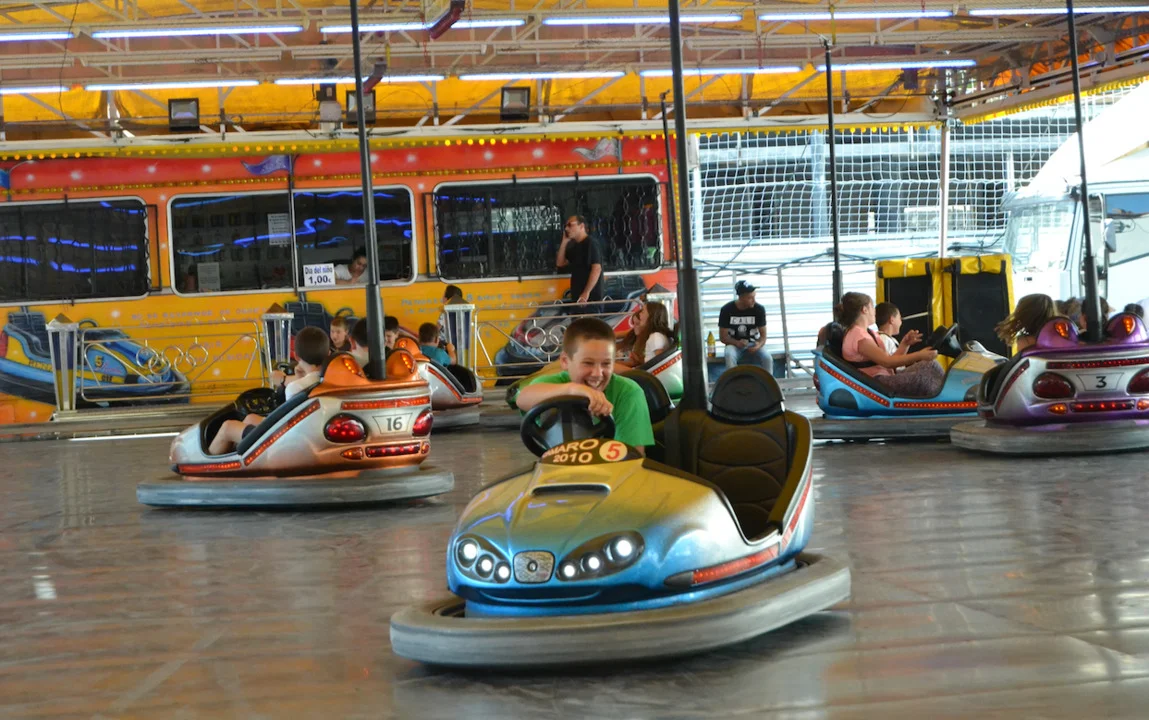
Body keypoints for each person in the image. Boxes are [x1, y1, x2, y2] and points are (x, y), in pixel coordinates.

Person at [515, 317, 654, 452]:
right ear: (565, 361)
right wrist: (574, 390)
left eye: (606, 363)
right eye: (588, 363)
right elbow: (522, 398)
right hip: (556, 465)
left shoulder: (628, 392)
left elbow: (632, 456)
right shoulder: (552, 383)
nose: (598, 373)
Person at [208, 327, 330, 455]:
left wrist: (288, 381)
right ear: (328, 353)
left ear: (297, 356)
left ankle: (206, 466)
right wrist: (299, 377)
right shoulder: (328, 379)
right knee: (250, 418)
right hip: (309, 433)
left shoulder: (295, 388)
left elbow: (287, 423)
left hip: (287, 440)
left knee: (227, 427)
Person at [839, 292, 942, 397]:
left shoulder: (867, 332)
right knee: (924, 379)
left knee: (931, 364)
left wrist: (905, 344)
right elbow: (887, 362)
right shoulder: (858, 336)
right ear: (865, 310)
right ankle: (943, 402)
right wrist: (919, 355)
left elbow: (890, 360)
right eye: (872, 307)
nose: (875, 311)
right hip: (876, 383)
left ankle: (947, 399)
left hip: (884, 376)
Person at [718, 280, 768, 369]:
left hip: (753, 342)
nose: (754, 301)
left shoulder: (759, 309)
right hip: (733, 344)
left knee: (767, 358)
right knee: (729, 354)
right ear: (741, 298)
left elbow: (763, 337)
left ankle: (768, 378)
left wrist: (758, 345)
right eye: (750, 298)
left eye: (754, 297)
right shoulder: (726, 310)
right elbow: (723, 337)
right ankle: (733, 377)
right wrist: (736, 342)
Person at [556, 215, 604, 305]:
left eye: (570, 225)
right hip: (577, 297)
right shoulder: (575, 246)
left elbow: (596, 269)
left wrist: (586, 292)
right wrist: (564, 241)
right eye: (565, 226)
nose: (566, 229)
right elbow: (560, 263)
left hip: (590, 299)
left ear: (581, 226)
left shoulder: (591, 243)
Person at [618, 301, 676, 368]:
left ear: (651, 316)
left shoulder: (656, 337)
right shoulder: (655, 336)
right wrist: (639, 360)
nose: (640, 314)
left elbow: (661, 364)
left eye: (642, 312)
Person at [874, 302, 923, 367]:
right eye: (900, 318)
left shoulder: (889, 339)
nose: (901, 322)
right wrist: (919, 355)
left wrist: (906, 345)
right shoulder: (883, 339)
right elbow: (891, 363)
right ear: (892, 320)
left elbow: (897, 358)